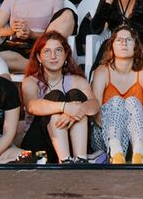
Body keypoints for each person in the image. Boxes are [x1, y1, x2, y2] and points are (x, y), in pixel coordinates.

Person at [21, 32, 98, 163]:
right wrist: (65, 107)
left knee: (76, 95)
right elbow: (32, 106)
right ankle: (65, 160)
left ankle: (80, 159)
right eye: (47, 51)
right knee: (56, 96)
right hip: (41, 147)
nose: (53, 56)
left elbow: (95, 106)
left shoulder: (77, 81)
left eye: (58, 50)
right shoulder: (30, 82)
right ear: (39, 57)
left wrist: (76, 110)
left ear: (66, 55)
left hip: (73, 143)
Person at [91, 25, 143, 164]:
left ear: (135, 46)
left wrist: (132, 132)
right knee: (116, 101)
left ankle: (139, 153)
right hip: (106, 136)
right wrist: (118, 131)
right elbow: (95, 111)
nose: (124, 43)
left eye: (128, 40)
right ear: (111, 47)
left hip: (140, 136)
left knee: (132, 101)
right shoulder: (102, 71)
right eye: (119, 40)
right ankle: (116, 152)